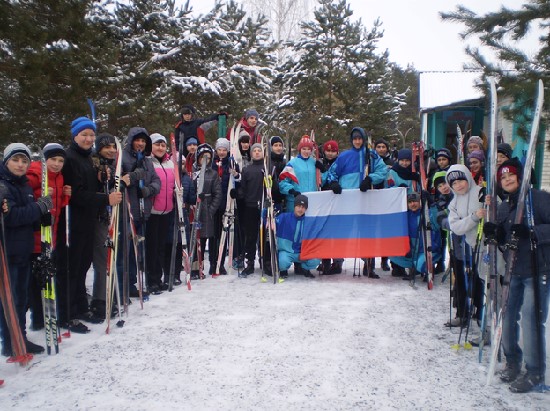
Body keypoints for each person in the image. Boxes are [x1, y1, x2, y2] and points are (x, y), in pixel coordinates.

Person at [483, 158, 550, 393]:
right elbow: (504, 240)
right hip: (512, 270)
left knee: (532, 320)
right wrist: (494, 234)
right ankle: (512, 361)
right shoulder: (503, 207)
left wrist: (532, 232)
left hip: (537, 269)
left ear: (521, 176)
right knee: (507, 316)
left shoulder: (539, 199)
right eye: (502, 177)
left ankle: (535, 371)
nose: (507, 179)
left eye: (511, 174)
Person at [60, 117, 122, 333]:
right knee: (73, 267)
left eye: (90, 135)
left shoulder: (86, 159)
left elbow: (88, 187)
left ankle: (79, 307)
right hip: (73, 222)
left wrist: (99, 178)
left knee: (82, 266)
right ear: (75, 135)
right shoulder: (70, 158)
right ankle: (67, 314)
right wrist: (106, 199)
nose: (88, 139)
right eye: (84, 135)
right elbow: (76, 195)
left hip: (87, 221)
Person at [0, 143, 51, 356]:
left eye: (24, 161)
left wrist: (41, 215)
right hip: (8, 251)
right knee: (9, 299)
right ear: (6, 161)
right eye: (15, 160)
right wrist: (38, 208)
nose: (20, 165)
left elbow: (26, 217)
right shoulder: (3, 186)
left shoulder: (24, 185)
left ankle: (19, 337)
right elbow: (12, 217)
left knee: (21, 298)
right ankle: (10, 341)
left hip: (24, 249)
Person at [326, 127, 388, 278]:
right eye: (355, 138)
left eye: (360, 138)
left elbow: (383, 170)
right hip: (346, 201)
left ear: (364, 139)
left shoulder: (371, 155)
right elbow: (332, 173)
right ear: (351, 140)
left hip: (365, 199)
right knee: (342, 232)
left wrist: (370, 179)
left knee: (366, 232)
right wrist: (333, 183)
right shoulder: (344, 156)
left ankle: (368, 265)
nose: (357, 141)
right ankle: (337, 262)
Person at [26, 143, 71, 330]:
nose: (57, 164)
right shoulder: (34, 174)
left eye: (60, 160)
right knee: (35, 280)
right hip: (34, 235)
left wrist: (66, 196)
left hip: (49, 235)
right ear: (44, 159)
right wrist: (40, 198)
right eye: (53, 159)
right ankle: (37, 318)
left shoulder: (59, 178)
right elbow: (26, 198)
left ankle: (46, 314)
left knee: (45, 276)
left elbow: (58, 206)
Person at [119, 127, 161, 297]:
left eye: (143, 141)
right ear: (131, 140)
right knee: (126, 251)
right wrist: (133, 176)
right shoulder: (122, 157)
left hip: (143, 211)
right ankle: (124, 285)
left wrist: (148, 190)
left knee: (137, 251)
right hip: (127, 211)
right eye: (138, 140)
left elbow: (156, 181)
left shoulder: (147, 160)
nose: (140, 144)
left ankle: (133, 283)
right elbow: (119, 179)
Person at [445, 164, 486, 327]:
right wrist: (473, 218)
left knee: (481, 282)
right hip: (462, 248)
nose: (458, 185)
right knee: (461, 281)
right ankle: (462, 314)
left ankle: (482, 317)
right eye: (454, 183)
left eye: (461, 180)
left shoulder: (481, 194)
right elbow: (456, 227)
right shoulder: (453, 203)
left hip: (483, 248)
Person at [90, 133, 118, 320]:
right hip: (97, 218)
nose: (111, 150)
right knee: (102, 259)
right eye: (106, 147)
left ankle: (109, 293)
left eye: (113, 147)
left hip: (110, 217)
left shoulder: (114, 165)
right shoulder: (93, 164)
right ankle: (100, 299)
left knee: (110, 255)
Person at [145, 133, 175, 293]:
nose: (160, 148)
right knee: (152, 247)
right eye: (157, 144)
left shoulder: (170, 163)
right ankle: (152, 280)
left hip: (167, 211)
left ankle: (159, 277)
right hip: (152, 212)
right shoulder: (148, 162)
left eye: (163, 145)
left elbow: (173, 185)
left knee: (162, 246)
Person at [389, 192, 441, 281]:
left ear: (420, 202)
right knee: (392, 254)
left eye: (415, 201)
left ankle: (426, 269)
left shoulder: (427, 214)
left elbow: (436, 224)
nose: (413, 204)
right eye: (410, 202)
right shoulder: (406, 216)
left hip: (427, 250)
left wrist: (432, 205)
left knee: (421, 264)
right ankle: (414, 267)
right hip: (413, 251)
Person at [190, 143, 221, 278]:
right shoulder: (192, 173)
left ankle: (213, 265)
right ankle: (196, 267)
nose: (205, 161)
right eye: (203, 157)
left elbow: (218, 193)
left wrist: (211, 210)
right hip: (195, 210)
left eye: (208, 158)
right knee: (197, 239)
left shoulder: (213, 174)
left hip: (207, 210)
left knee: (209, 238)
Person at [233, 143, 264, 276]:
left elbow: (273, 187)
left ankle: (266, 261)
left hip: (264, 207)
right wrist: (236, 193)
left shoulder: (267, 168)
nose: (257, 153)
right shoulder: (247, 170)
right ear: (251, 154)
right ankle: (249, 263)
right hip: (250, 207)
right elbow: (243, 189)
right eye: (254, 151)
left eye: (259, 150)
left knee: (265, 236)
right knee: (250, 237)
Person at [276, 194, 320, 279]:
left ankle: (304, 268)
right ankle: (283, 270)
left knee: (316, 259)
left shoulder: (309, 221)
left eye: (303, 207)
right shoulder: (284, 217)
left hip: (303, 252)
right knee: (282, 261)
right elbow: (271, 221)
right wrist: (266, 211)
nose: (301, 209)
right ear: (294, 206)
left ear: (306, 209)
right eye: (299, 206)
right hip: (287, 251)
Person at [318, 140, 344, 275]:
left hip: (338, 201)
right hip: (323, 201)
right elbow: (319, 180)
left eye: (333, 151)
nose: (330, 153)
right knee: (324, 232)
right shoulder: (319, 163)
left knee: (337, 232)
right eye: (328, 151)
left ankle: (338, 262)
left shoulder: (340, 163)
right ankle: (325, 261)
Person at [279, 136, 323, 212]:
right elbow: (282, 181)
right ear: (300, 149)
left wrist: (323, 170)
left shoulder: (314, 163)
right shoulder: (292, 163)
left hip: (311, 201)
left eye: (309, 149)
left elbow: (321, 181)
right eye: (304, 149)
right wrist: (292, 191)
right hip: (295, 202)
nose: (306, 151)